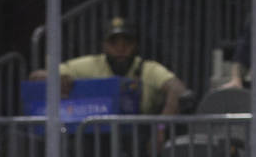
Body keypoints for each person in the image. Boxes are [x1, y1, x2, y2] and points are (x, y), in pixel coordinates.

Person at [28, 17, 190, 116]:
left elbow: (178, 89)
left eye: (127, 42)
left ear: (136, 45)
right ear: (104, 46)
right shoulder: (91, 64)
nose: (121, 49)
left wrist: (161, 127)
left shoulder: (149, 69)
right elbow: (36, 76)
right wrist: (54, 78)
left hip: (140, 140)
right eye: (114, 43)